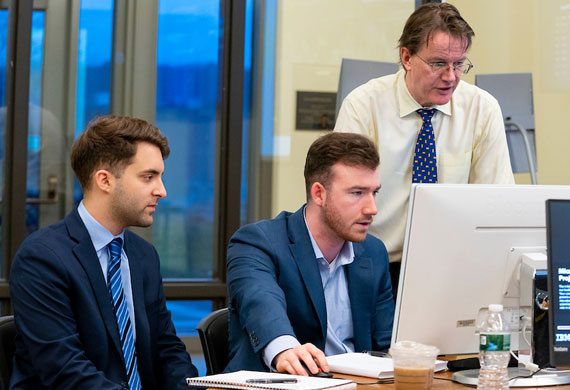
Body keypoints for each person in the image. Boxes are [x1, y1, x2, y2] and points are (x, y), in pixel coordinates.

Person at [334, 3, 514, 294]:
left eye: (459, 64)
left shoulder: (482, 109)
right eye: (438, 63)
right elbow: (343, 201)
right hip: (373, 263)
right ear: (406, 57)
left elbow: (497, 202)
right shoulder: (364, 106)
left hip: (451, 266)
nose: (451, 77)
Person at [10, 115, 198, 389]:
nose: (162, 191)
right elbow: (65, 370)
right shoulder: (41, 258)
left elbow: (167, 348)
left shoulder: (143, 255)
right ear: (105, 181)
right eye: (148, 177)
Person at [225, 132, 394, 375]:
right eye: (357, 193)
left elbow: (386, 346)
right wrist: (284, 349)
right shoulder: (258, 242)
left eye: (374, 192)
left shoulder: (373, 252)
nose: (372, 208)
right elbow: (260, 301)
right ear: (319, 194)